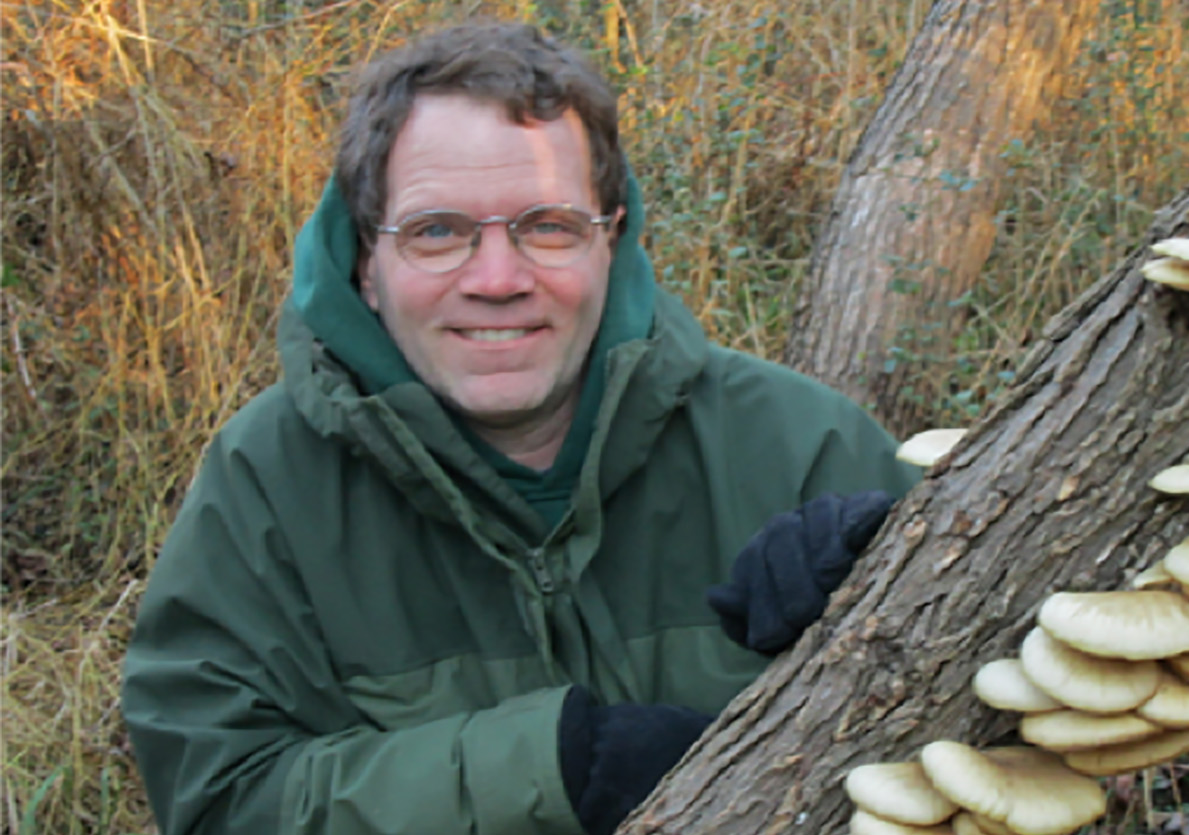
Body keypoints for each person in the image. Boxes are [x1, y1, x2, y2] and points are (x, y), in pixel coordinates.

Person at [121, 20, 919, 835]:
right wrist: (554, 767)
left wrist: (890, 591)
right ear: (368, 261)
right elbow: (220, 798)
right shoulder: (267, 484)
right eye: (436, 232)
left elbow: (1010, 747)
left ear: (609, 238)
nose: (497, 280)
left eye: (547, 225)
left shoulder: (801, 444)